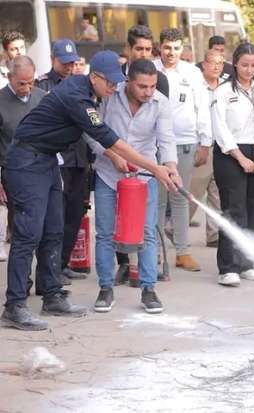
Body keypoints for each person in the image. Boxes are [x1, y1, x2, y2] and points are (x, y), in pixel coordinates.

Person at [0, 50, 176, 331]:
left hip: (46, 160)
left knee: (54, 229)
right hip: (25, 161)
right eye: (110, 83)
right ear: (94, 77)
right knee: (28, 233)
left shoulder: (91, 92)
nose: (115, 88)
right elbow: (111, 140)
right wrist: (154, 168)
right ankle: (15, 306)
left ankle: (52, 294)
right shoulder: (77, 97)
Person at [88, 59, 179, 314]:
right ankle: (106, 288)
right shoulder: (109, 96)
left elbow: (166, 139)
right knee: (105, 233)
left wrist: (170, 166)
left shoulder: (160, 102)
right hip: (108, 174)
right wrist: (111, 155)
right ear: (128, 82)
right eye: (142, 87)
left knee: (147, 233)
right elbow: (92, 132)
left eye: (151, 86)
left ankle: (148, 289)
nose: (148, 92)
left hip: (144, 177)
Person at [211, 43, 254, 287]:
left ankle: (247, 263)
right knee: (234, 210)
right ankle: (228, 267)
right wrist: (241, 158)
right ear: (235, 63)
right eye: (244, 65)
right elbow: (221, 129)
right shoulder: (222, 91)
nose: (249, 70)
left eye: (253, 66)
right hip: (232, 155)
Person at [115, 25, 171, 282]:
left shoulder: (160, 82)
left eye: (149, 49)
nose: (144, 54)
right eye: (139, 48)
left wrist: (166, 164)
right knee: (118, 219)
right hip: (114, 164)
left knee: (147, 222)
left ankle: (148, 272)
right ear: (129, 49)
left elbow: (162, 127)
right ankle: (124, 263)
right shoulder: (114, 79)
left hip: (147, 165)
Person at [154, 28, 211, 272]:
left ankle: (183, 252)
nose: (171, 52)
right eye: (167, 47)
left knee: (180, 198)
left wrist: (205, 141)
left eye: (176, 48)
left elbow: (203, 107)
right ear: (160, 47)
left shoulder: (192, 72)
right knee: (157, 200)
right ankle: (154, 251)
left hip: (186, 143)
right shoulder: (150, 69)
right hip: (155, 145)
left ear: (183, 48)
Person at [36, 39, 90, 288]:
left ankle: (63, 264)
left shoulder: (80, 85)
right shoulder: (43, 86)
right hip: (57, 161)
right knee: (54, 219)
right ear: (53, 59)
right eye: (65, 62)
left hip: (80, 159)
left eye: (73, 62)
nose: (69, 67)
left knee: (75, 213)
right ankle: (48, 271)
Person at [0, 56, 46, 262]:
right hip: (14, 174)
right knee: (21, 229)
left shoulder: (42, 97)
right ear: (10, 77)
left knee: (45, 227)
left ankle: (46, 280)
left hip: (42, 170)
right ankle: (22, 278)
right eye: (21, 83)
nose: (27, 88)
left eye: (31, 82)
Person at [188, 49, 223, 248]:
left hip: (220, 145)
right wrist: (202, 142)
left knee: (217, 192)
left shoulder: (226, 87)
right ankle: (174, 228)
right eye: (212, 62)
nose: (216, 66)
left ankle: (214, 234)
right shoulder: (196, 86)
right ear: (204, 64)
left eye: (220, 62)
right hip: (202, 145)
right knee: (195, 189)